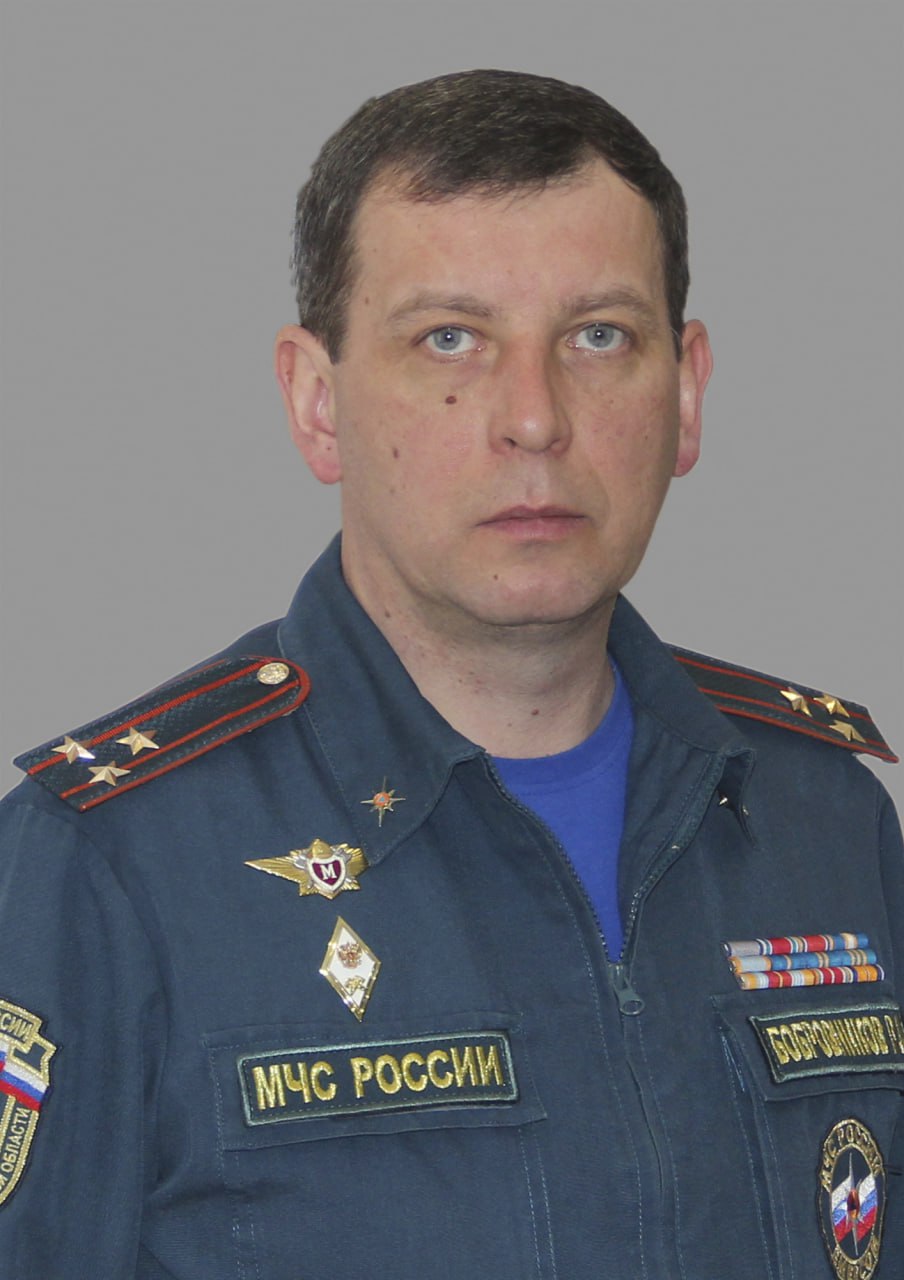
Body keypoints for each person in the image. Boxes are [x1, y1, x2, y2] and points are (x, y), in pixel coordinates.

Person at [0, 68, 901, 1279]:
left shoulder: (825, 819)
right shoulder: (111, 863)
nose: (533, 417)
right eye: (450, 339)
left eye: (598, 336)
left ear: (685, 393)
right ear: (317, 403)